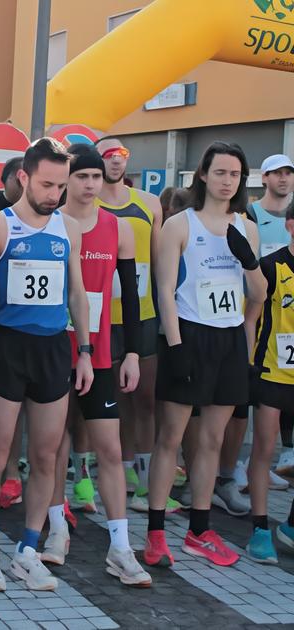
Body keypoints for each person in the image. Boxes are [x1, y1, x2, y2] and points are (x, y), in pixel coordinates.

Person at [0, 137, 94, 592]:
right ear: (23, 177)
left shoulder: (70, 228)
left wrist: (84, 351)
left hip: (52, 348)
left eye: (60, 186)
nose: (54, 194)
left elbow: (77, 294)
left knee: (46, 456)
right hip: (7, 346)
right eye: (47, 184)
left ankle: (27, 549)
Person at [144, 141, 264, 568]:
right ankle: (156, 532)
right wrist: (175, 346)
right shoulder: (180, 224)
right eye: (220, 172)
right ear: (203, 175)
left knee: (212, 440)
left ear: (240, 180)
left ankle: (199, 529)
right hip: (189, 336)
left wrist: (249, 260)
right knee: (170, 439)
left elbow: (259, 296)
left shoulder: (247, 228)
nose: (227, 180)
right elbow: (163, 291)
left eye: (234, 174)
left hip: (229, 339)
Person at [40, 144, 151, 586]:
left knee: (109, 449)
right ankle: (57, 530)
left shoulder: (117, 227)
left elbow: (130, 298)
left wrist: (132, 354)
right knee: (51, 447)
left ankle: (121, 548)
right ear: (67, 179)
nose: (89, 185)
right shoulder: (50, 223)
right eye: (81, 177)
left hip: (101, 353)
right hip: (52, 348)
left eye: (95, 177)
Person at [95, 138, 165, 513]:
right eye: (106, 155)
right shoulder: (89, 204)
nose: (114, 161)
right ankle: (118, 470)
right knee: (113, 399)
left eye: (120, 155)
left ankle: (147, 477)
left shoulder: (150, 204)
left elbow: (160, 265)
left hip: (143, 314)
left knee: (147, 397)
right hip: (102, 317)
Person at [244, 202, 294, 563]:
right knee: (264, 450)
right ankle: (260, 529)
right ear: (291, 226)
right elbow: (252, 320)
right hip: (271, 373)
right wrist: (248, 364)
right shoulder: (272, 266)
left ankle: (290, 524)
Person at [248, 154, 294, 482]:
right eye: (276, 173)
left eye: (289, 173)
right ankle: (239, 471)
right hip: (261, 310)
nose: (283, 178)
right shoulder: (252, 213)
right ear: (263, 177)